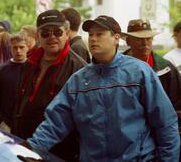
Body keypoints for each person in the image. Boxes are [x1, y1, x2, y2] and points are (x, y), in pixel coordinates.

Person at [27, 15, 180, 162]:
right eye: (91, 34)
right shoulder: (78, 81)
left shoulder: (139, 72)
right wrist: (29, 150)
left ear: (116, 38)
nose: (93, 38)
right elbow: (55, 123)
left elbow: (165, 122)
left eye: (100, 34)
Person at [13, 9, 87, 161]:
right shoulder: (29, 63)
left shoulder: (79, 68)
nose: (52, 37)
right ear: (38, 36)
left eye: (57, 32)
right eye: (46, 33)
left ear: (67, 33)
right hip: (26, 145)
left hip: (60, 151)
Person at [122, 19, 181, 109]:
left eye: (148, 39)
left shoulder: (166, 68)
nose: (145, 43)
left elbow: (176, 102)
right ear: (128, 41)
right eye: (139, 39)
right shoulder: (116, 67)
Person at [0, 32, 28, 132]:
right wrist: (2, 122)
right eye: (15, 47)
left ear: (27, 47)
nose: (18, 51)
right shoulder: (1, 71)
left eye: (21, 47)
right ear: (10, 48)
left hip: (28, 124)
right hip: (6, 123)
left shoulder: (35, 69)